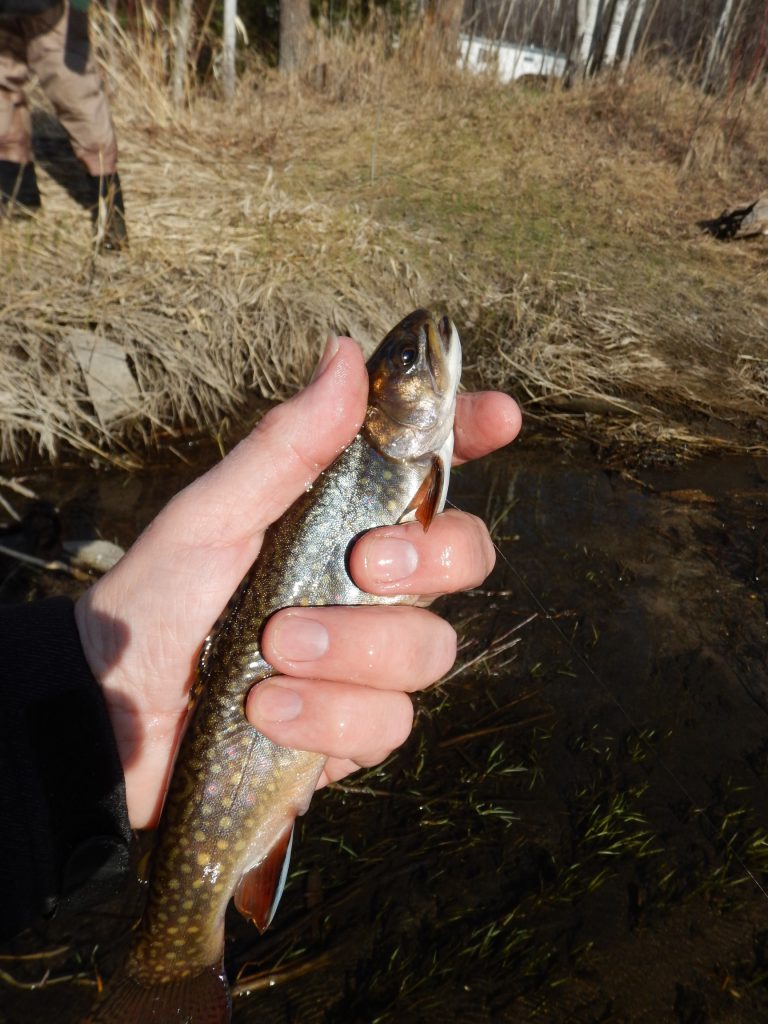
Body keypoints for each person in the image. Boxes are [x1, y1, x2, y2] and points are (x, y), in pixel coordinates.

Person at [0, 335, 522, 938]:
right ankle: (183, 940)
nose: (422, 354)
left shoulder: (391, 459)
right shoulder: (382, 462)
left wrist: (85, 710)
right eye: (407, 361)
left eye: (404, 361)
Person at [0, 0, 127, 250]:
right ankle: (19, 200)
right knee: (3, 89)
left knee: (76, 94)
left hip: (54, 10)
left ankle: (111, 220)